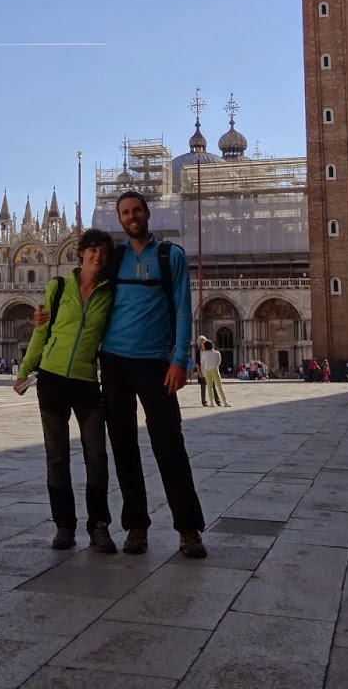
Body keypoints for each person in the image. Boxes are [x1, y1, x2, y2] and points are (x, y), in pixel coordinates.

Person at [97, 190, 207, 558]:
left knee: (170, 446)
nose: (131, 216)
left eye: (137, 211)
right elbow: (87, 297)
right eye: (125, 212)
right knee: (123, 447)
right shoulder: (115, 259)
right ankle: (136, 527)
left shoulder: (169, 255)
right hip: (113, 363)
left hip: (157, 365)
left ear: (147, 214)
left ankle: (188, 528)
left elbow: (182, 310)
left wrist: (181, 360)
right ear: (120, 218)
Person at [17, 227, 118, 553]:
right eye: (92, 250)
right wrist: (23, 371)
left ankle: (99, 526)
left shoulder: (111, 293)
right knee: (57, 457)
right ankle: (64, 527)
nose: (97, 256)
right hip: (51, 380)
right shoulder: (58, 288)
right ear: (81, 253)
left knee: (97, 457)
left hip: (87, 382)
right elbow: (41, 333)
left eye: (103, 252)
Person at [199, 339, 228, 407]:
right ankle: (225, 402)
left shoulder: (204, 353)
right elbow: (219, 362)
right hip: (214, 370)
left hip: (206, 371)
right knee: (219, 387)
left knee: (209, 387)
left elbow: (202, 363)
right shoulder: (217, 353)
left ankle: (211, 403)